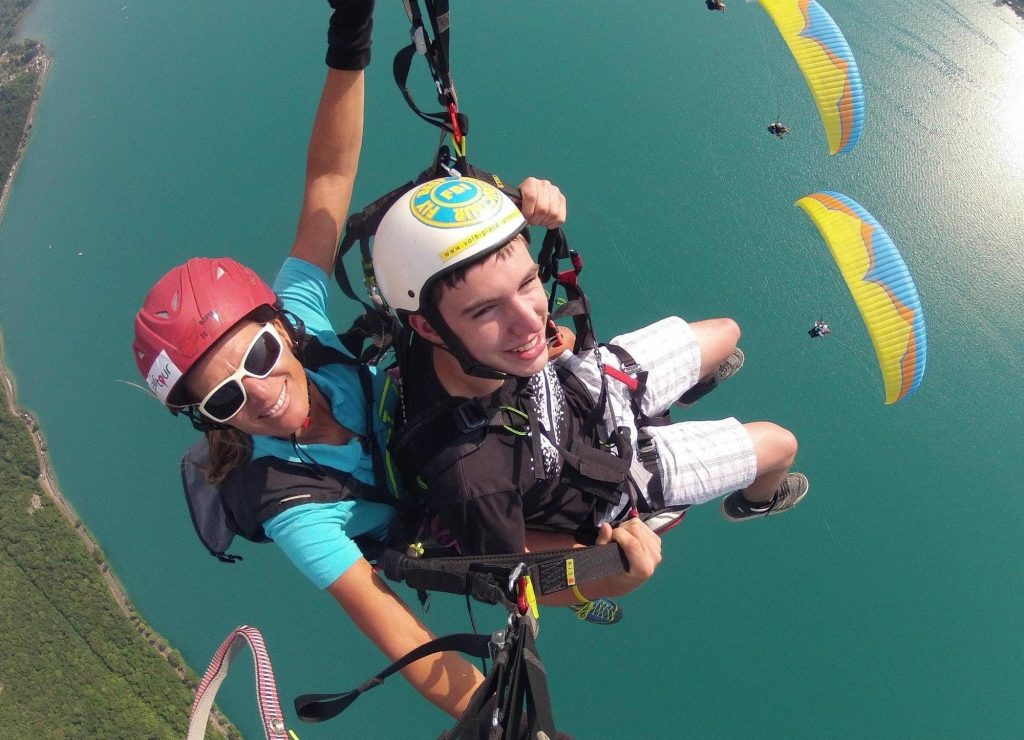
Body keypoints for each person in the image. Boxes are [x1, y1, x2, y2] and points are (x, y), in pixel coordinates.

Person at [132, 1, 659, 720]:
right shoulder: (291, 508)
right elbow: (400, 632)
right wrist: (504, 723)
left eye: (255, 354)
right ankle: (593, 585)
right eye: (223, 399)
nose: (256, 393)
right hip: (437, 513)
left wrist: (349, 35)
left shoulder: (303, 317)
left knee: (533, 372)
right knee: (596, 552)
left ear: (279, 328)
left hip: (440, 418)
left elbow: (328, 177)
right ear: (208, 418)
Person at [370, 176, 810, 569]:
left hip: (583, 390)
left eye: (528, 284)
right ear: (428, 327)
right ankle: (756, 502)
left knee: (727, 331)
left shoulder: (455, 327)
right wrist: (601, 564)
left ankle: (685, 390)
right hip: (613, 474)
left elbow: (442, 227)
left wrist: (521, 200)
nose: (529, 320)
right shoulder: (472, 477)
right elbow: (511, 562)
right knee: (779, 444)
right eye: (487, 310)